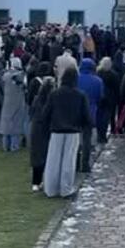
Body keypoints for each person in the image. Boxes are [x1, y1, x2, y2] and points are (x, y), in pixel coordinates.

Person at [41, 67, 92, 198]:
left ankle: (50, 189)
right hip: (73, 130)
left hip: (56, 129)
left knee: (53, 160)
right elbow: (86, 115)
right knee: (68, 161)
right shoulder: (80, 95)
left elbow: (46, 113)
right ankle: (66, 189)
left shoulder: (55, 94)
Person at [29, 77, 55, 192]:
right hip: (46, 128)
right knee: (46, 155)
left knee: (37, 155)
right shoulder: (52, 99)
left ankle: (35, 182)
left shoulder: (36, 99)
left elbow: (32, 112)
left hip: (36, 129)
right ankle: (44, 181)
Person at [76, 58, 103, 171]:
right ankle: (85, 164)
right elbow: (100, 97)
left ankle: (76, 163)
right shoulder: (97, 81)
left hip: (76, 110)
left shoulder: (76, 79)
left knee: (76, 139)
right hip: (90, 110)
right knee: (87, 138)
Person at [0, 57, 28, 153]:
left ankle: (5, 146)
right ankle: (14, 146)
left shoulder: (5, 75)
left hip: (7, 101)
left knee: (6, 123)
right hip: (18, 101)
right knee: (16, 123)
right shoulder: (20, 75)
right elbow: (24, 86)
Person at [97, 57, 120, 143]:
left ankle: (100, 134)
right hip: (111, 98)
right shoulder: (114, 75)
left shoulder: (98, 73)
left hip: (100, 97)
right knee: (109, 115)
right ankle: (111, 130)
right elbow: (117, 88)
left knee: (99, 116)